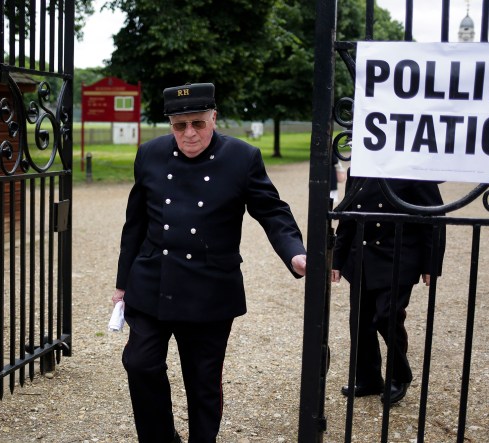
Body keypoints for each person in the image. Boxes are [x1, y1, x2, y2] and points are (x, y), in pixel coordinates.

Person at [113, 82, 307, 443]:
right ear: (170, 124)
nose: (189, 133)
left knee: (202, 382)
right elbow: (135, 223)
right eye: (179, 125)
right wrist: (122, 284)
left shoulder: (242, 157)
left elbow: (272, 211)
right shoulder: (150, 154)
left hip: (210, 290)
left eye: (198, 123)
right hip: (153, 282)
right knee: (139, 363)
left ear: (214, 117)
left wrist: (294, 251)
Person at [331, 177, 444, 404]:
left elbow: (433, 219)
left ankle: (399, 375)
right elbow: (348, 218)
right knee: (360, 322)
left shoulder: (412, 170)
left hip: (399, 257)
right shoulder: (359, 171)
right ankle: (369, 379)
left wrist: (431, 264)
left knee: (386, 316)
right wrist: (337, 260)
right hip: (362, 258)